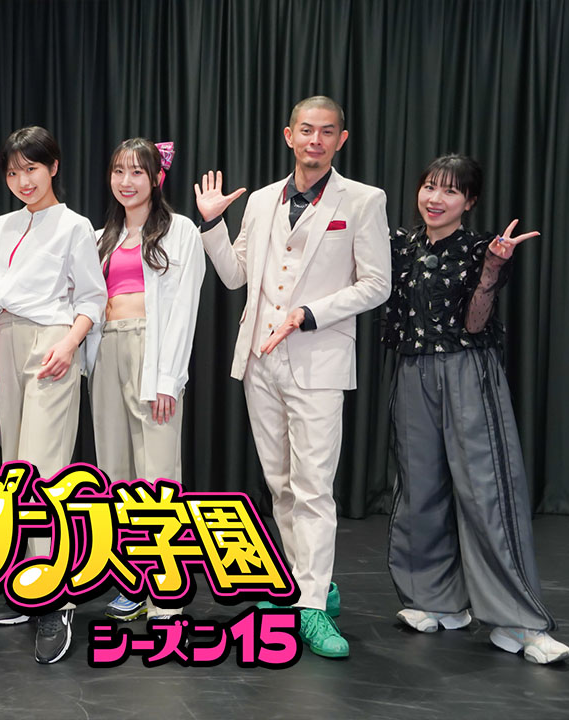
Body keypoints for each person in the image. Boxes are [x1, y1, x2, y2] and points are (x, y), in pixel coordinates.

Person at [194, 95, 390, 658]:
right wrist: (211, 224)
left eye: (326, 132)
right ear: (289, 135)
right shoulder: (261, 201)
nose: (315, 141)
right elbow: (235, 276)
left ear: (341, 140)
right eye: (306, 130)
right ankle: (307, 585)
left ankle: (311, 607)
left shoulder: (363, 200)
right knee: (280, 483)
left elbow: (377, 283)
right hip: (261, 359)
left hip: (318, 360)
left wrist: (309, 313)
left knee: (314, 488)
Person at [383, 153, 569, 664]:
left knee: (486, 490)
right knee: (419, 487)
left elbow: (473, 324)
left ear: (469, 201)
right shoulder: (400, 244)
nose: (435, 198)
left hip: (467, 369)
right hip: (412, 369)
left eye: (450, 190)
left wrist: (492, 267)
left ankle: (518, 621)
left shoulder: (479, 248)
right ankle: (436, 599)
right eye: (429, 186)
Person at [0, 126, 107, 664]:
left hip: (51, 343)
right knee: (14, 472)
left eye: (32, 168)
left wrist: (70, 343)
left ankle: (56, 599)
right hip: (4, 340)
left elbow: (92, 297)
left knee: (44, 471)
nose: (23, 180)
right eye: (13, 172)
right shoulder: (0, 226)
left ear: (53, 167)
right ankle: (25, 582)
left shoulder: (75, 226)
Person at [85, 138, 205, 622]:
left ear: (157, 178)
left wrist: (168, 378)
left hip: (151, 352)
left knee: (157, 476)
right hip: (107, 351)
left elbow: (184, 310)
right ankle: (133, 584)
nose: (126, 181)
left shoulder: (180, 231)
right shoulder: (100, 237)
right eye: (119, 171)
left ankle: (166, 591)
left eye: (137, 172)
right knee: (116, 476)